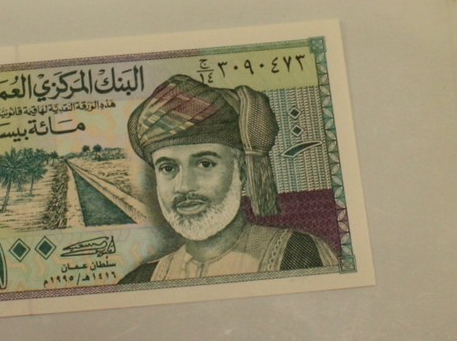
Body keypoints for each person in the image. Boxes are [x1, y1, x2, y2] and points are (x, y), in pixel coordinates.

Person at [118, 74, 336, 283]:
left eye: (205, 164)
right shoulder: (141, 280)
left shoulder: (297, 255)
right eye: (168, 168)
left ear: (242, 170)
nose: (184, 186)